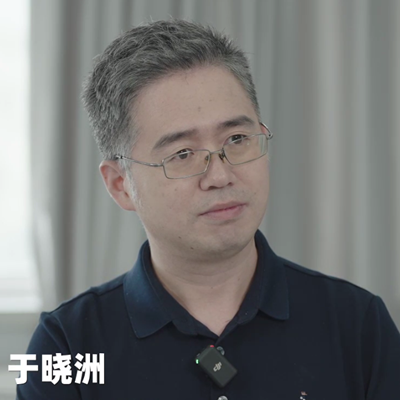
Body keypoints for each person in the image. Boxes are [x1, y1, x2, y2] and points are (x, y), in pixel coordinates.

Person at [17, 19, 400, 399]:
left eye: (237, 138)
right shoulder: (67, 346)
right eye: (183, 153)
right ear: (121, 185)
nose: (219, 175)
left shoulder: (357, 324)